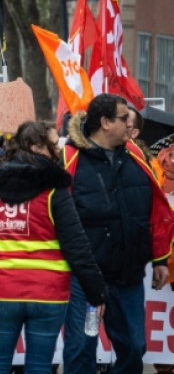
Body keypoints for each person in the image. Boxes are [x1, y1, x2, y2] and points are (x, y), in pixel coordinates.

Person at [0, 121, 106, 374]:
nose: (58, 151)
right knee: (39, 367)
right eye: (53, 145)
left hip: (3, 291)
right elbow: (77, 245)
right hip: (48, 293)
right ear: (35, 147)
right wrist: (95, 292)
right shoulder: (54, 190)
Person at [62, 93, 174, 374]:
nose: (131, 123)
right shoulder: (69, 158)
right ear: (105, 122)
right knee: (80, 351)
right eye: (124, 118)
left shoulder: (137, 155)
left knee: (135, 348)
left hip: (128, 276)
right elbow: (54, 216)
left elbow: (156, 210)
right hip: (85, 278)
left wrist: (161, 259)